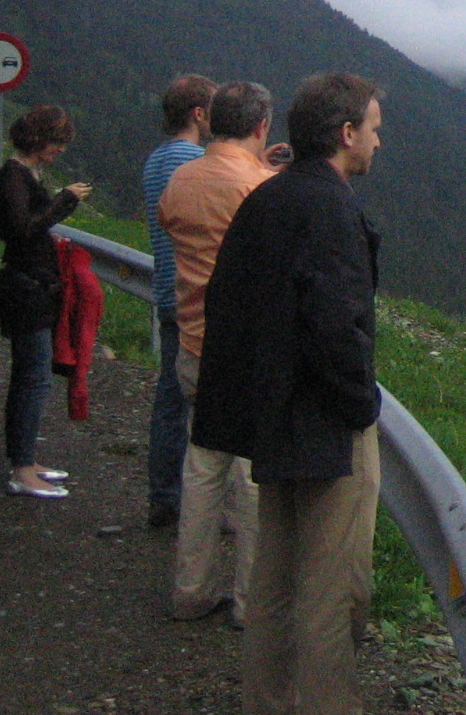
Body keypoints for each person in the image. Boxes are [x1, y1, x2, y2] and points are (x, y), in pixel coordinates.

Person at [193, 72, 384, 715]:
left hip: (275, 418)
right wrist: (360, 407)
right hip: (325, 426)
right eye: (375, 130)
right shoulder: (330, 208)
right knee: (333, 589)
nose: (379, 144)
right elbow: (335, 326)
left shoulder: (269, 198)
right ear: (347, 132)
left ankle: (266, 702)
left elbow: (225, 302)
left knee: (273, 579)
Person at [157, 81, 285, 627]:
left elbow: (176, 223)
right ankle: (251, 604)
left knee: (203, 465)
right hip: (246, 350)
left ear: (212, 122)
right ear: (261, 127)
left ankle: (190, 590)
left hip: (192, 339)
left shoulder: (181, 178)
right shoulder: (258, 189)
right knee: (254, 476)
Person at [0, 104, 93, 499]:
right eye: (57, 142)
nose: (60, 150)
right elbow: (22, 229)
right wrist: (63, 202)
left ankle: (26, 459)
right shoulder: (14, 174)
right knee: (32, 378)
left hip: (31, 285)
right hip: (24, 288)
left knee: (31, 377)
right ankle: (22, 469)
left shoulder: (25, 173)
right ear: (39, 139)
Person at [141, 73, 216, 528]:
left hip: (167, 289)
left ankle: (164, 496)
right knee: (208, 409)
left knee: (169, 401)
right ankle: (198, 507)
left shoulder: (157, 159)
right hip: (196, 296)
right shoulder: (192, 159)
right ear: (199, 114)